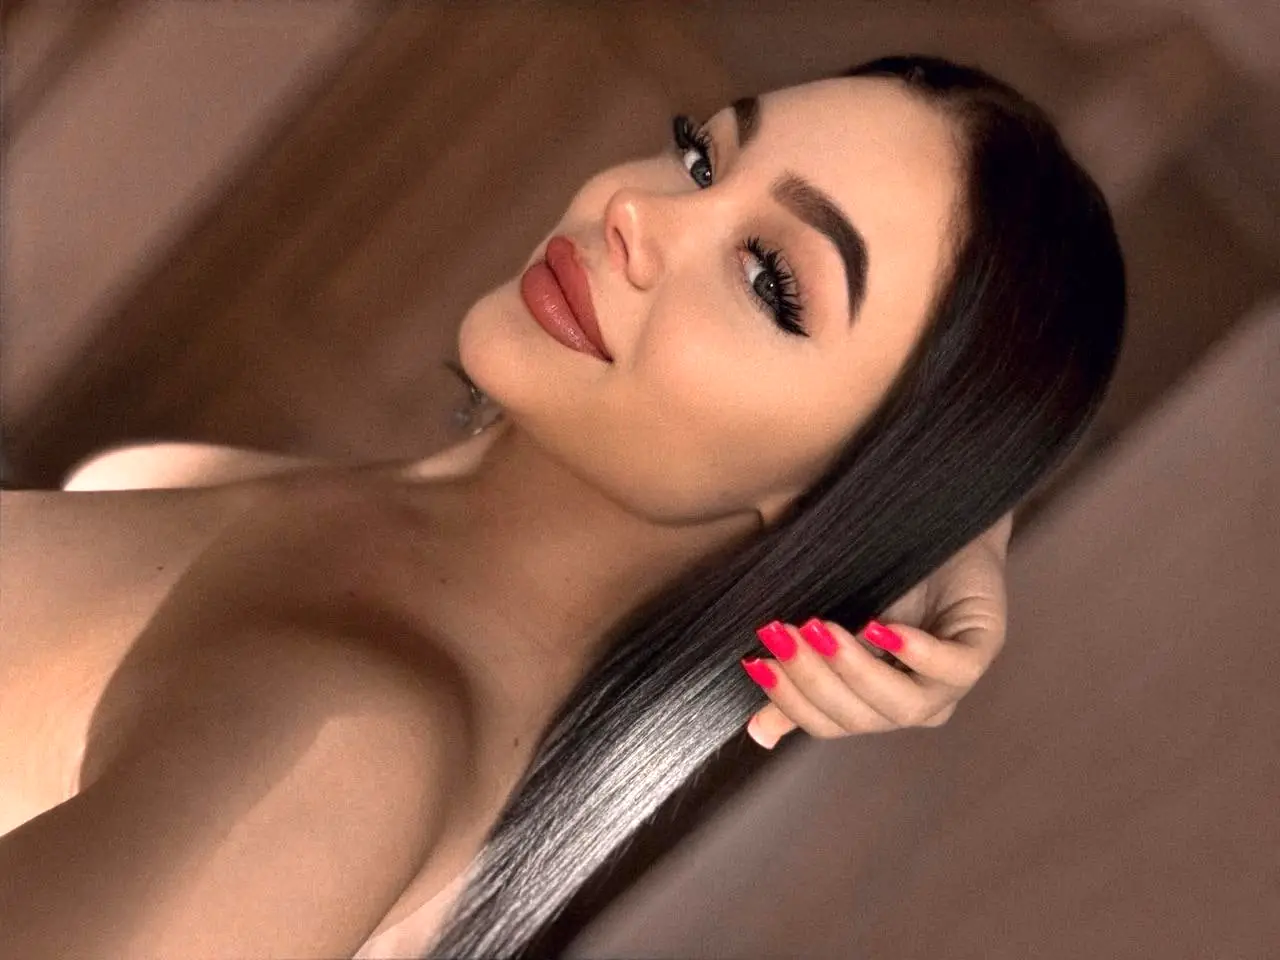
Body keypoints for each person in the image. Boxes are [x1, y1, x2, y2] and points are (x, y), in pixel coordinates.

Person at [0, 53, 1123, 960]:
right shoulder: (366, 570)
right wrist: (963, 524)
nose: (638, 210)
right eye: (700, 157)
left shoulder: (348, 749)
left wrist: (937, 518)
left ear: (859, 490)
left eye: (768, 278)